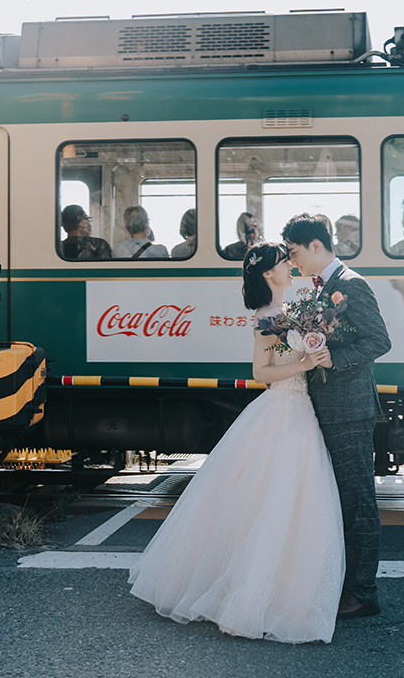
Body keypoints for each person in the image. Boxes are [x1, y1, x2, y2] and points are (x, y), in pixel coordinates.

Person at [130, 241, 343, 643]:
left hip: (296, 410)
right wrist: (306, 362)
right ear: (268, 273)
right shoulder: (268, 317)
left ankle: (269, 589)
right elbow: (261, 372)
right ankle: (253, 596)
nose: (290, 266)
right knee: (277, 499)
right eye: (284, 262)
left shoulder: (288, 310)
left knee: (279, 500)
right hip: (283, 409)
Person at [283, 213, 391, 620]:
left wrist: (334, 359)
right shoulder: (323, 287)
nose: (293, 262)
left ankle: (363, 593)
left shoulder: (350, 284)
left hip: (348, 410)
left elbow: (380, 340)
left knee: (358, 502)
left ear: (315, 245)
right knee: (338, 502)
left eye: (294, 253)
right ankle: (346, 584)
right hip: (330, 408)